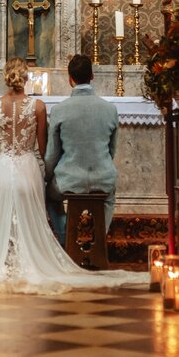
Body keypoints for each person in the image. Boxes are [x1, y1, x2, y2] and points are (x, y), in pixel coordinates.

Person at [0, 57, 143, 294]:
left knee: (14, 211)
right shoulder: (39, 107)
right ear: (26, 78)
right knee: (45, 207)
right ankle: (79, 246)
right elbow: (44, 151)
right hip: (28, 170)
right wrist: (42, 169)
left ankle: (9, 256)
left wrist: (2, 150)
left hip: (0, 170)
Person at [44, 54, 118, 245]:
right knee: (109, 197)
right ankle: (98, 239)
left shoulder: (60, 110)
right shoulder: (110, 109)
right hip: (103, 176)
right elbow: (111, 150)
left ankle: (66, 238)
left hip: (69, 179)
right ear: (92, 76)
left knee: (50, 197)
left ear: (70, 79)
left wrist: (48, 176)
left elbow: (52, 154)